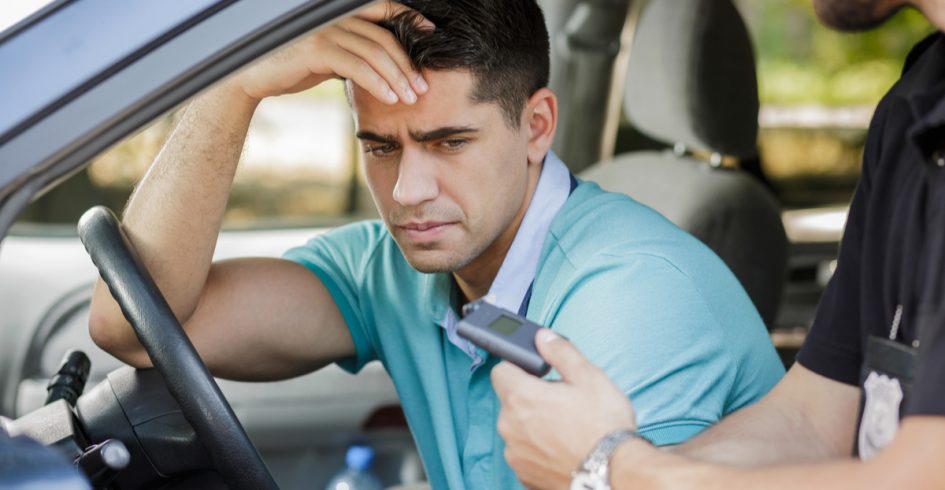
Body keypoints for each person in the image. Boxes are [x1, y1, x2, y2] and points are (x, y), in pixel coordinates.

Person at [88, 0, 783, 488]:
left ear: (537, 126)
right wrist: (231, 91)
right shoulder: (390, 269)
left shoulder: (638, 295)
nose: (407, 192)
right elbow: (136, 328)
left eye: (447, 142)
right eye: (380, 147)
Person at [492, 0, 945, 488]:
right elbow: (812, 421)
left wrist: (610, 467)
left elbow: (920, 477)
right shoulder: (914, 107)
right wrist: (606, 462)